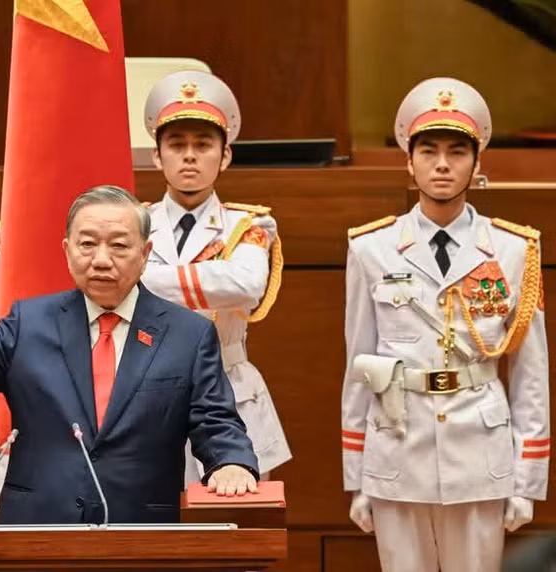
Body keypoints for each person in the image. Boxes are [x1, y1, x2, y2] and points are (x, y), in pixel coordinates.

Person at [0, 185, 260, 524]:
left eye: (119, 246)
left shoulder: (188, 334)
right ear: (67, 251)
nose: (101, 260)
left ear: (145, 252)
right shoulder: (29, 323)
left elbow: (215, 421)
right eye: (87, 244)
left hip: (141, 533)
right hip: (38, 529)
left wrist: (231, 462)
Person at [341, 77, 549, 572]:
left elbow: (530, 376)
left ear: (477, 163)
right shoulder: (371, 248)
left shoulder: (513, 250)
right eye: (428, 150)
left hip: (479, 450)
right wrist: (358, 477)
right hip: (397, 447)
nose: (441, 164)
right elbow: (358, 366)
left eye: (457, 152)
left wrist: (527, 478)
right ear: (408, 162)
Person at [139, 70, 290, 483]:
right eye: (176, 144)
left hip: (232, 394)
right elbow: (115, 286)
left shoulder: (249, 224)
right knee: (156, 529)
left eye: (203, 145)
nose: (189, 155)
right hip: (147, 394)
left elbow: (245, 285)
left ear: (225, 156)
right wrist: (211, 281)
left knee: (236, 529)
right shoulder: (134, 223)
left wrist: (148, 277)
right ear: (156, 155)